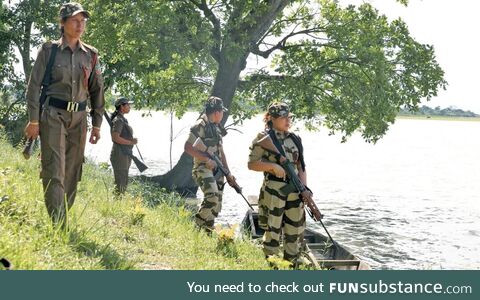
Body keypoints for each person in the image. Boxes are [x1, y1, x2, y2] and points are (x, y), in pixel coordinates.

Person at [24, 2, 105, 226]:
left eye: (83, 21)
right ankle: (58, 223)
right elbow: (33, 87)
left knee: (72, 171)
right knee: (54, 168)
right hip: (52, 116)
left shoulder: (91, 55)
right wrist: (33, 119)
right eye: (74, 21)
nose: (80, 25)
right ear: (62, 23)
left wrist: (97, 125)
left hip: (79, 120)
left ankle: (62, 215)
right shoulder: (48, 51)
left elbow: (97, 90)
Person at [247, 102, 308, 262]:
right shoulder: (263, 138)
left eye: (289, 117)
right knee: (273, 231)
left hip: (294, 191)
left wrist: (305, 189)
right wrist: (272, 166)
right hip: (274, 192)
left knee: (294, 232)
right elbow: (251, 164)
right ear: (271, 118)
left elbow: (301, 166)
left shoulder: (295, 138)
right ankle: (272, 265)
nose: (288, 121)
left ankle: (291, 264)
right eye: (283, 118)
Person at [184, 96, 236, 232]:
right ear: (217, 112)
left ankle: (207, 233)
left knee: (216, 205)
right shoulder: (200, 125)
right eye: (222, 112)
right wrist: (206, 159)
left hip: (218, 169)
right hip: (202, 168)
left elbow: (221, 152)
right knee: (212, 197)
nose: (223, 115)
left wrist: (228, 173)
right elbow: (188, 147)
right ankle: (196, 227)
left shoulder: (216, 127)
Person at [109, 97, 137, 194]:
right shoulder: (119, 120)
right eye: (128, 105)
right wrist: (131, 142)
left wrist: (130, 141)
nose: (130, 107)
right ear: (121, 106)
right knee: (120, 182)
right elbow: (115, 138)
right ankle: (117, 203)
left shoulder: (122, 119)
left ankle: (119, 201)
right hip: (119, 154)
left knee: (123, 181)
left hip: (124, 154)